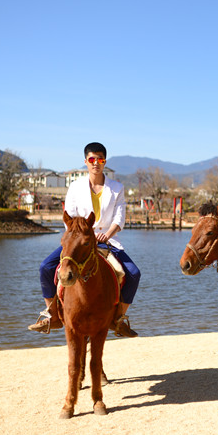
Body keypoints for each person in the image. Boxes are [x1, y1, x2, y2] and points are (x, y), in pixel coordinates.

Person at [28, 142, 141, 337]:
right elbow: (68, 216)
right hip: (79, 240)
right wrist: (78, 236)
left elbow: (119, 218)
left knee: (133, 273)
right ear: (85, 162)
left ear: (105, 162)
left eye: (100, 159)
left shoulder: (117, 188)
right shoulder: (75, 186)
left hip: (107, 241)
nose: (96, 163)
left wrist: (108, 234)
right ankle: (52, 315)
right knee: (46, 267)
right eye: (91, 159)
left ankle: (119, 318)